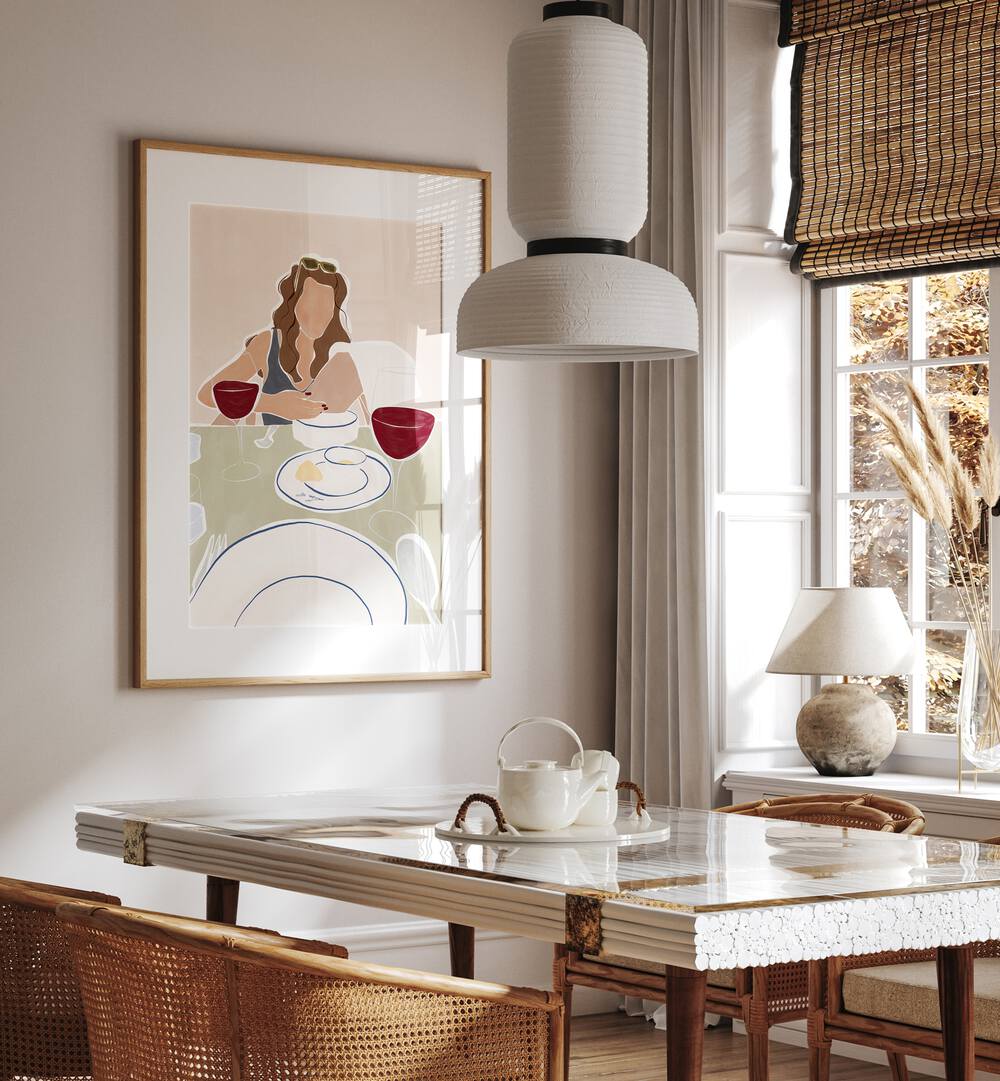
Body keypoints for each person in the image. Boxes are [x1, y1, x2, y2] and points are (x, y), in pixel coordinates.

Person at [198, 256, 368, 425]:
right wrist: (271, 404)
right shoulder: (267, 344)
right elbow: (207, 394)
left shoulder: (344, 356)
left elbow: (371, 417)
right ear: (294, 302)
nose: (318, 314)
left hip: (325, 450)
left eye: (326, 305)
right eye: (311, 302)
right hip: (274, 450)